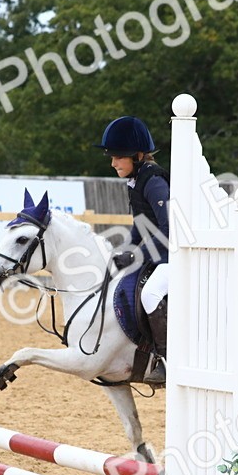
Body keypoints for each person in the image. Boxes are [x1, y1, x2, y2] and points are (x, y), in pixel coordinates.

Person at [96, 116, 170, 384]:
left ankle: (166, 360)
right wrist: (125, 250)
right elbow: (141, 226)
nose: (113, 163)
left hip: (177, 256)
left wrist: (138, 255)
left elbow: (168, 228)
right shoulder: (137, 181)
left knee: (150, 294)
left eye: (118, 157)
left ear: (137, 156)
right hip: (159, 255)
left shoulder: (154, 182)